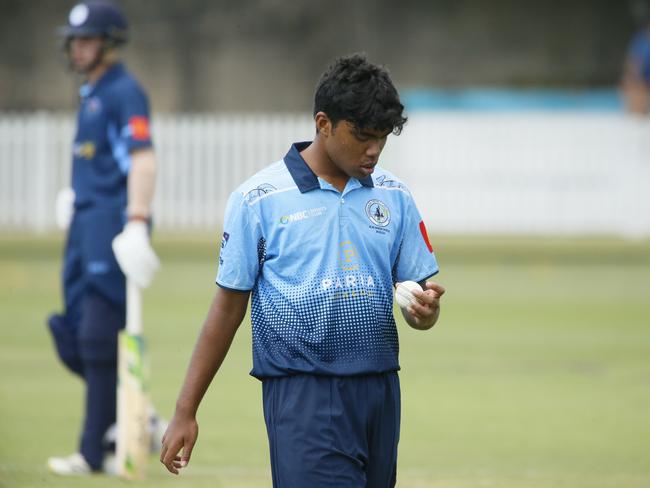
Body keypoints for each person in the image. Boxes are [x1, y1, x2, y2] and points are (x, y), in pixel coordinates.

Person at [160, 53, 445, 487]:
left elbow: (417, 297)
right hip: (304, 394)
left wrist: (424, 313)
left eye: (383, 138)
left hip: (381, 389)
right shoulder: (258, 199)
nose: (374, 149)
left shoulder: (394, 194)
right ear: (324, 123)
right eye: (363, 136)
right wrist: (186, 409)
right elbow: (226, 309)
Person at [46, 0, 161, 476]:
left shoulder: (124, 92)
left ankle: (92, 452)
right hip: (85, 226)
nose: (78, 48)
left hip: (113, 225)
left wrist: (136, 220)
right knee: (69, 332)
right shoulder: (90, 92)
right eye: (75, 40)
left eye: (87, 39)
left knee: (96, 337)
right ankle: (139, 416)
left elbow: (142, 159)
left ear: (110, 43)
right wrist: (76, 195)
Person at [622, 15, 650, 114]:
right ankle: (636, 109)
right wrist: (634, 76)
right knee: (630, 80)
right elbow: (633, 61)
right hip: (643, 77)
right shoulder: (640, 41)